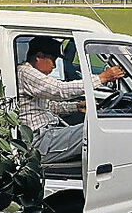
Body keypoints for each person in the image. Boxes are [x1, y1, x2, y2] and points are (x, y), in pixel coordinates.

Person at [17, 36, 124, 164]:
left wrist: (76, 106)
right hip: (38, 141)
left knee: (96, 127)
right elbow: (60, 89)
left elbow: (49, 106)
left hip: (47, 135)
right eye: (53, 60)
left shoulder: (30, 75)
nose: (54, 66)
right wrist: (102, 78)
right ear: (39, 56)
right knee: (97, 131)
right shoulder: (26, 72)